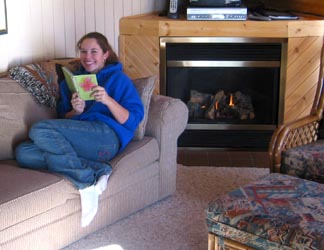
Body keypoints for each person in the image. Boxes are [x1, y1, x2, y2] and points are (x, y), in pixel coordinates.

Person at [15, 32, 144, 227]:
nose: (88, 57)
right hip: (81, 138)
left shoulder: (119, 79)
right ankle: (98, 169)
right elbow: (62, 123)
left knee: (39, 130)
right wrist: (75, 111)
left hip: (107, 137)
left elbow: (133, 120)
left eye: (94, 51)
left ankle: (85, 183)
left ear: (105, 54)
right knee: (23, 152)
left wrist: (107, 100)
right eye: (83, 51)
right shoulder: (73, 81)